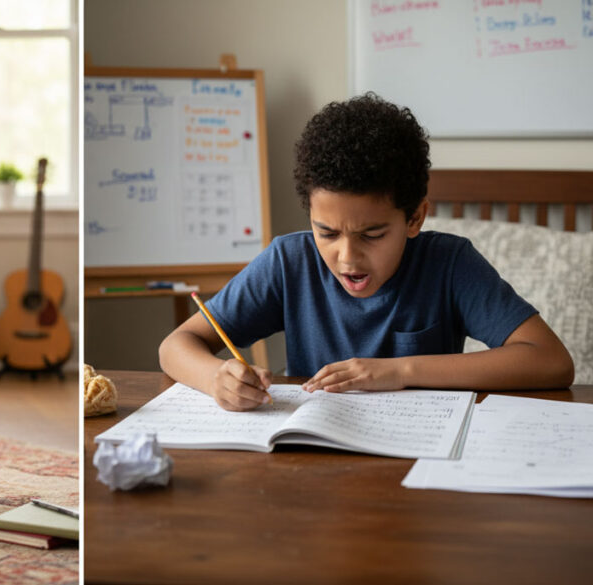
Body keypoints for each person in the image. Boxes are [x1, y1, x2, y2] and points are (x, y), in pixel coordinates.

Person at [159, 93, 574, 412]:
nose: (346, 257)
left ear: (415, 218)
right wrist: (216, 377)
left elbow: (551, 361)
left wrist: (400, 371)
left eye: (372, 235)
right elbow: (176, 345)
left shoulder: (449, 264)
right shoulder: (290, 262)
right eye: (327, 232)